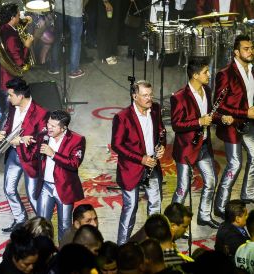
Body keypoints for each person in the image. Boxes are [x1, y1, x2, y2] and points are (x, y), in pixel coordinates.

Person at [170, 57, 228, 229]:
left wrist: (221, 118)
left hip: (203, 146)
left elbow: (209, 115)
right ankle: (173, 223)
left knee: (211, 181)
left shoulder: (207, 91)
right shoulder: (179, 97)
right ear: (195, 75)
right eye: (205, 72)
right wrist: (199, 122)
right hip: (187, 150)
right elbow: (176, 125)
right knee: (183, 189)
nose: (209, 74)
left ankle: (204, 215)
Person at [111, 80, 166, 245]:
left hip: (153, 165)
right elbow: (117, 145)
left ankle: (153, 244)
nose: (149, 99)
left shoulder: (155, 109)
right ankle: (122, 246)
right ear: (134, 96)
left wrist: (162, 145)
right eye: (145, 95)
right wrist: (141, 159)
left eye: (150, 94)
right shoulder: (122, 117)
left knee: (155, 205)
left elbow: (161, 130)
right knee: (130, 208)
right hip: (131, 169)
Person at [0, 77, 48, 233]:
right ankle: (20, 219)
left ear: (20, 96)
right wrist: (4, 131)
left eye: (10, 95)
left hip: (29, 158)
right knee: (9, 189)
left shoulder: (40, 113)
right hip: (13, 154)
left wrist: (26, 140)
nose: (8, 98)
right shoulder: (13, 106)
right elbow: (9, 123)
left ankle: (43, 228)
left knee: (33, 197)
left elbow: (44, 139)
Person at [214, 35, 254, 218]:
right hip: (232, 126)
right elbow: (219, 105)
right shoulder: (225, 74)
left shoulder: (253, 70)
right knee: (235, 164)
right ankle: (220, 205)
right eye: (246, 48)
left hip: (249, 124)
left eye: (251, 48)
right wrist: (245, 112)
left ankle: (247, 193)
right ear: (236, 52)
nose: (250, 51)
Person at [33, 110, 86, 242]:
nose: (48, 127)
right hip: (45, 186)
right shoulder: (43, 136)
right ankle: (43, 254)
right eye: (48, 123)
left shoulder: (77, 140)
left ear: (63, 128)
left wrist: (53, 154)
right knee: (41, 225)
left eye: (53, 126)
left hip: (64, 187)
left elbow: (74, 164)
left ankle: (64, 255)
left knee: (65, 226)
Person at [0, 3, 33, 122]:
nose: (19, 18)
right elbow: (19, 62)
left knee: (0, 113)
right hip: (8, 80)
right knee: (8, 117)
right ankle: (3, 137)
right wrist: (27, 46)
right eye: (18, 15)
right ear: (12, 18)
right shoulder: (11, 37)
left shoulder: (0, 29)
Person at [48, 0, 85, 78]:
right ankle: (74, 70)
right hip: (75, 9)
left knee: (57, 38)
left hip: (59, 8)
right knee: (75, 41)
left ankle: (54, 67)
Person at [97, 0, 121, 65]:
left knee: (112, 28)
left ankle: (110, 52)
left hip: (113, 3)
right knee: (105, 28)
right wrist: (106, 2)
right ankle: (105, 55)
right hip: (105, 3)